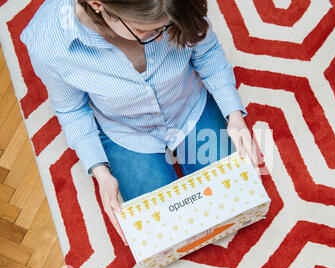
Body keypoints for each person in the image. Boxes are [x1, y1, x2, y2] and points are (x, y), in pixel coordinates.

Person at [20, 0, 259, 246]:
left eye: (167, 27)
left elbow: (206, 51)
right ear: (97, 5)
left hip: (188, 105)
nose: (159, 38)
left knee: (235, 201)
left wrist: (234, 116)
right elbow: (72, 110)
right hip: (126, 130)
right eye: (147, 31)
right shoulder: (47, 42)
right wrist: (101, 173)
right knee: (164, 235)